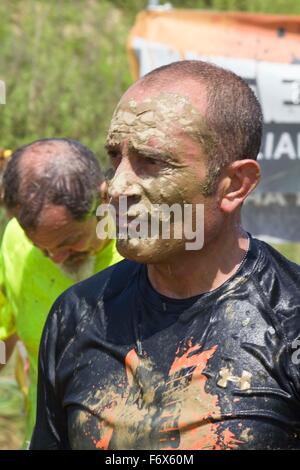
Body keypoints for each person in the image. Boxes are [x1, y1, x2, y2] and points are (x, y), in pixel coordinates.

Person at [30, 61, 300, 450]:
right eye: (114, 158)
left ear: (234, 185)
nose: (117, 187)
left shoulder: (288, 323)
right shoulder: (78, 314)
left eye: (151, 162)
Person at [0, 138, 122, 448]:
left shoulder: (146, 253)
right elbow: (5, 336)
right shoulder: (15, 242)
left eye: (70, 241)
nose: (56, 257)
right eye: (41, 248)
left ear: (103, 199)